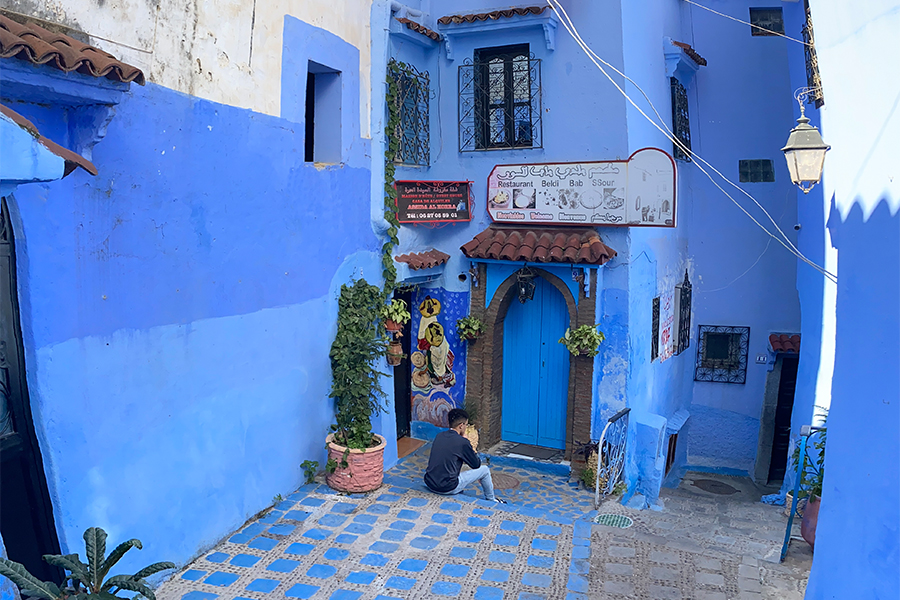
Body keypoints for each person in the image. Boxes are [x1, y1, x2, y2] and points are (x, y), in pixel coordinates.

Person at [424, 408, 506, 503]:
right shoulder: (462, 442)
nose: (466, 428)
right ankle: (492, 500)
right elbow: (476, 464)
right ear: (461, 426)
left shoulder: (439, 435)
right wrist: (470, 445)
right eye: (466, 425)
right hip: (448, 487)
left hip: (430, 483)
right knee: (485, 470)